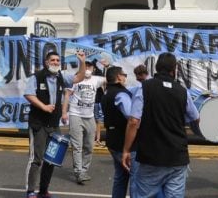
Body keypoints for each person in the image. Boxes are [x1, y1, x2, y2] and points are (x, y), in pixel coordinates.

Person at [121, 52, 200, 198]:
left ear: (156, 68)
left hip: (151, 156)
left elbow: (133, 121)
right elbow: (195, 118)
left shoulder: (144, 88)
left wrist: (126, 150)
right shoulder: (183, 92)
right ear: (174, 69)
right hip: (178, 156)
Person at [24, 51, 87, 198]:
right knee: (36, 159)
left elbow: (79, 77)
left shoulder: (61, 76)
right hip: (38, 124)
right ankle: (30, 191)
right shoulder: (36, 77)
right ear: (46, 62)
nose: (55, 62)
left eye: (58, 60)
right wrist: (43, 106)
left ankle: (43, 191)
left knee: (51, 159)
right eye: (52, 60)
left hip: (53, 125)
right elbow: (28, 94)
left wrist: (82, 62)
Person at [63, 60, 105, 184]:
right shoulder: (75, 79)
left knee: (89, 146)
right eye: (85, 65)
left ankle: (84, 169)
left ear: (93, 68)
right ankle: (78, 172)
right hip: (76, 115)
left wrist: (107, 66)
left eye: (89, 66)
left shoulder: (96, 80)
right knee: (77, 146)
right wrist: (64, 113)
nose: (87, 68)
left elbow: (110, 78)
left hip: (90, 117)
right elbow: (66, 95)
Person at [101, 66, 135, 198]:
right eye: (124, 74)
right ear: (119, 77)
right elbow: (131, 117)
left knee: (120, 176)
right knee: (134, 177)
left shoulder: (107, 92)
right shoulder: (120, 94)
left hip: (112, 139)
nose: (125, 77)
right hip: (122, 140)